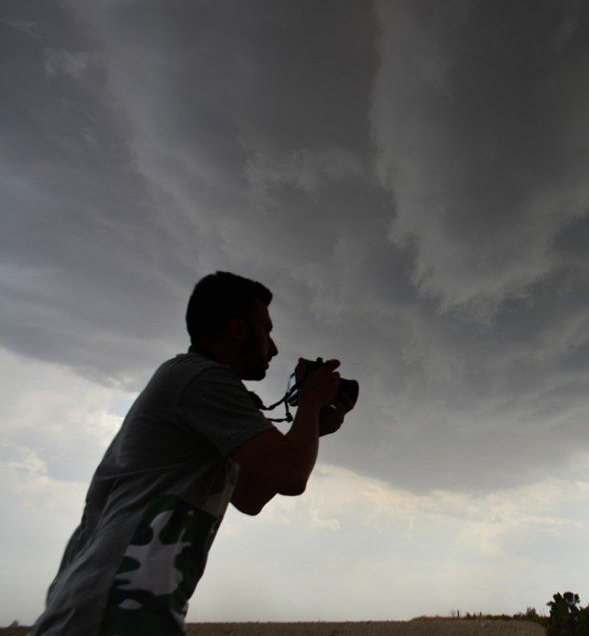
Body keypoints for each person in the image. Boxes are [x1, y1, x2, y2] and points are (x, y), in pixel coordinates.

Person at [31, 271, 354, 635]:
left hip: (126, 606)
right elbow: (292, 478)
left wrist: (315, 428)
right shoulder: (202, 379)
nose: (274, 347)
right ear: (237, 330)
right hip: (108, 608)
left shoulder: (200, 388)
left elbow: (249, 497)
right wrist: (310, 402)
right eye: (266, 330)